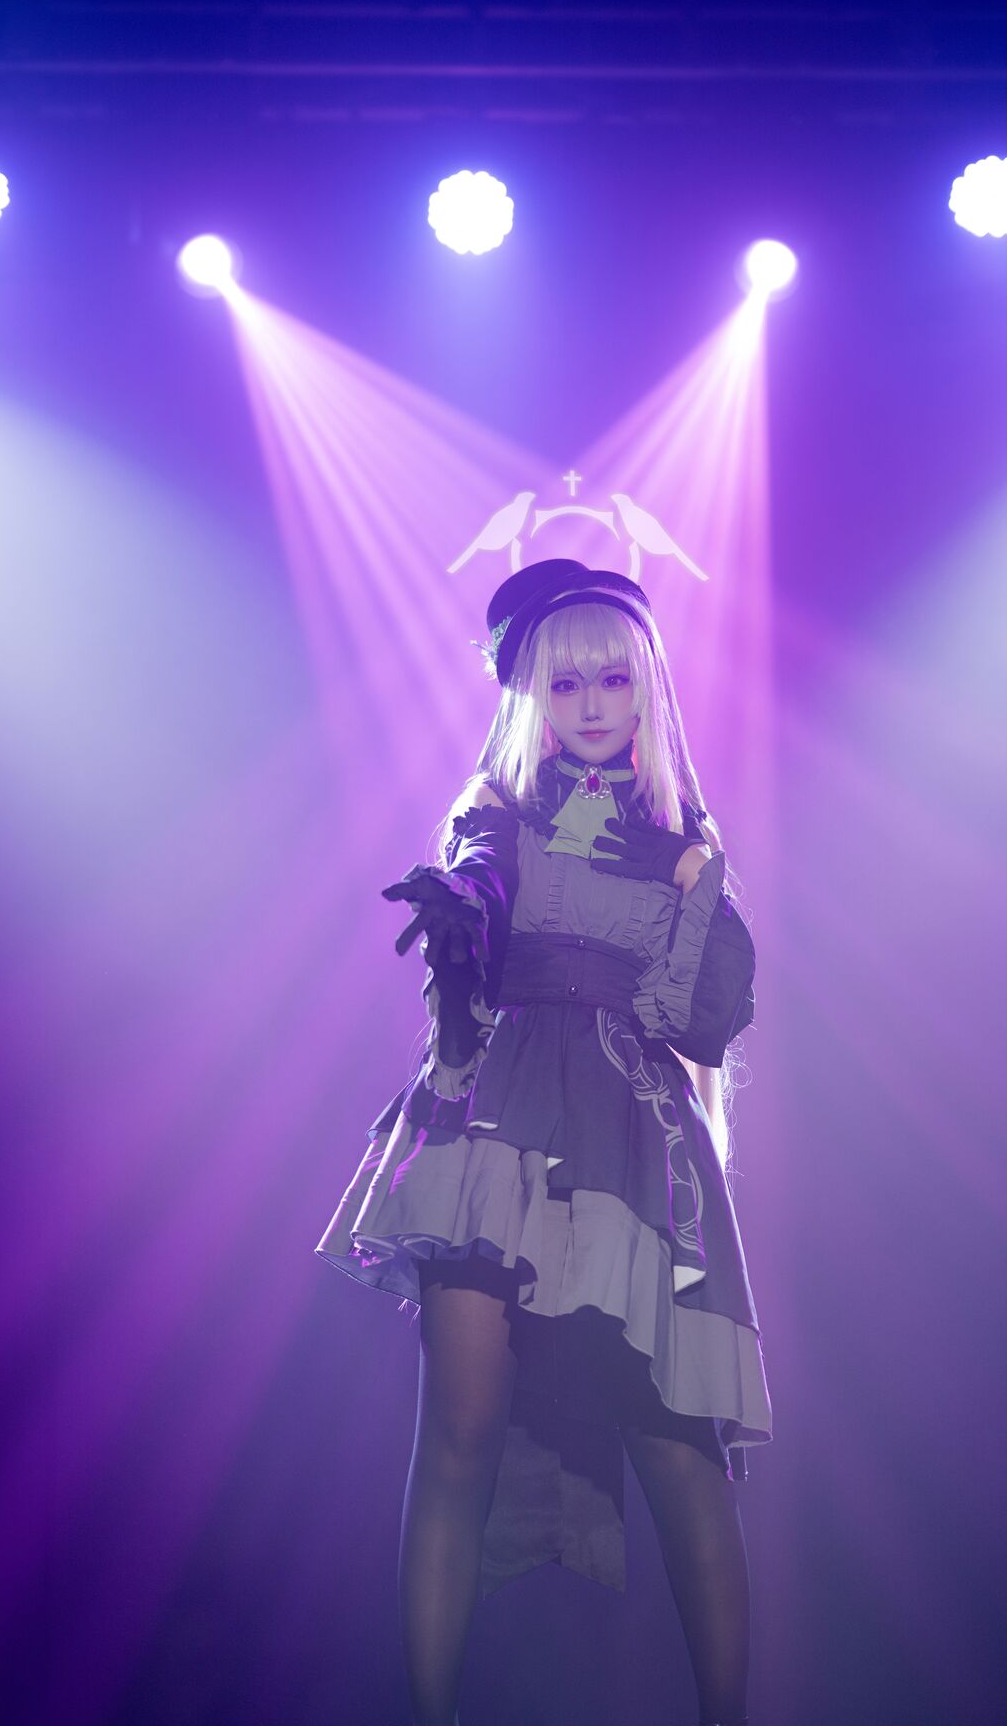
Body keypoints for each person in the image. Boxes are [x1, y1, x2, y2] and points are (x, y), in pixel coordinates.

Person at [316, 558, 772, 1726]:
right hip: (501, 1121)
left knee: (680, 1455)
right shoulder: (499, 811)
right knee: (458, 1435)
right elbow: (480, 886)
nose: (591, 703)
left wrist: (694, 886)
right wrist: (458, 913)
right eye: (564, 684)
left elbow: (705, 1019)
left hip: (635, 1140)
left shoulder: (682, 837)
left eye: (611, 678)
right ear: (529, 696)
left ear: (647, 686)